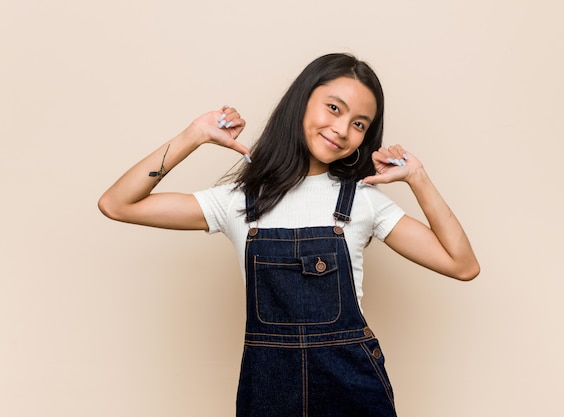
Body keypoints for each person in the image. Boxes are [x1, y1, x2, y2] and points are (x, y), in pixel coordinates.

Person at [98, 52, 479, 417]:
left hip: (352, 384)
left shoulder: (363, 202)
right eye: (334, 108)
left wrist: (418, 177)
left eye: (360, 124)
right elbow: (117, 204)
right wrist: (194, 135)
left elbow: (462, 265)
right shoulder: (238, 202)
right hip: (268, 388)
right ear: (303, 99)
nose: (342, 130)